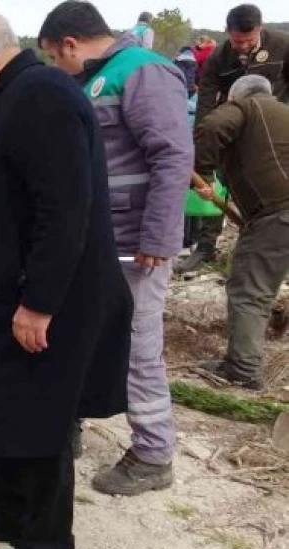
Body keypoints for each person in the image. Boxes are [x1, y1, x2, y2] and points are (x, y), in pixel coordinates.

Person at [0, 9, 132, 549]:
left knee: (37, 423)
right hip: (4, 292)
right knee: (1, 409)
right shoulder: (7, 98)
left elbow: (64, 212)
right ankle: (8, 517)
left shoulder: (41, 97)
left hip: (50, 301)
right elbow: (6, 209)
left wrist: (40, 302)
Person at [39, 1, 193, 497]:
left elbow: (172, 157)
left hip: (135, 243)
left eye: (54, 58)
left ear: (70, 44)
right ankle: (70, 423)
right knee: (81, 333)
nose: (56, 70)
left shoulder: (145, 73)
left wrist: (159, 237)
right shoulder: (95, 79)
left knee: (137, 346)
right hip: (98, 239)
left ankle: (153, 452)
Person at [194, 75, 289, 390]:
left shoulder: (248, 107)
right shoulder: (282, 113)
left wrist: (203, 171)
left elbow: (211, 127)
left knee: (249, 290)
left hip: (277, 213)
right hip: (275, 214)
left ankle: (242, 369)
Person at [182, 3, 289, 273]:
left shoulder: (282, 45)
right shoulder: (219, 57)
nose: (242, 46)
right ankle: (206, 247)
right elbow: (206, 100)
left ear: (260, 29)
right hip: (233, 130)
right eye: (236, 40)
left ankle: (269, 247)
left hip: (273, 130)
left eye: (248, 40)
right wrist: (203, 140)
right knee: (219, 184)